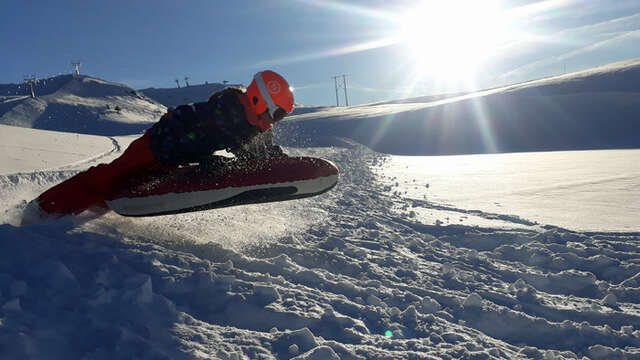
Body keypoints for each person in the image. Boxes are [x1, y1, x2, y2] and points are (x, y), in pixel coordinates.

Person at [23, 70, 294, 223]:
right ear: (260, 102)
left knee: (128, 185)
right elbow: (227, 140)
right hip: (156, 146)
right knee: (111, 177)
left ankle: (88, 212)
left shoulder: (249, 121)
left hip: (173, 156)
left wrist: (277, 163)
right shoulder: (229, 113)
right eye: (277, 115)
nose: (274, 123)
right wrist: (210, 161)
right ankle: (44, 209)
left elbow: (256, 147)